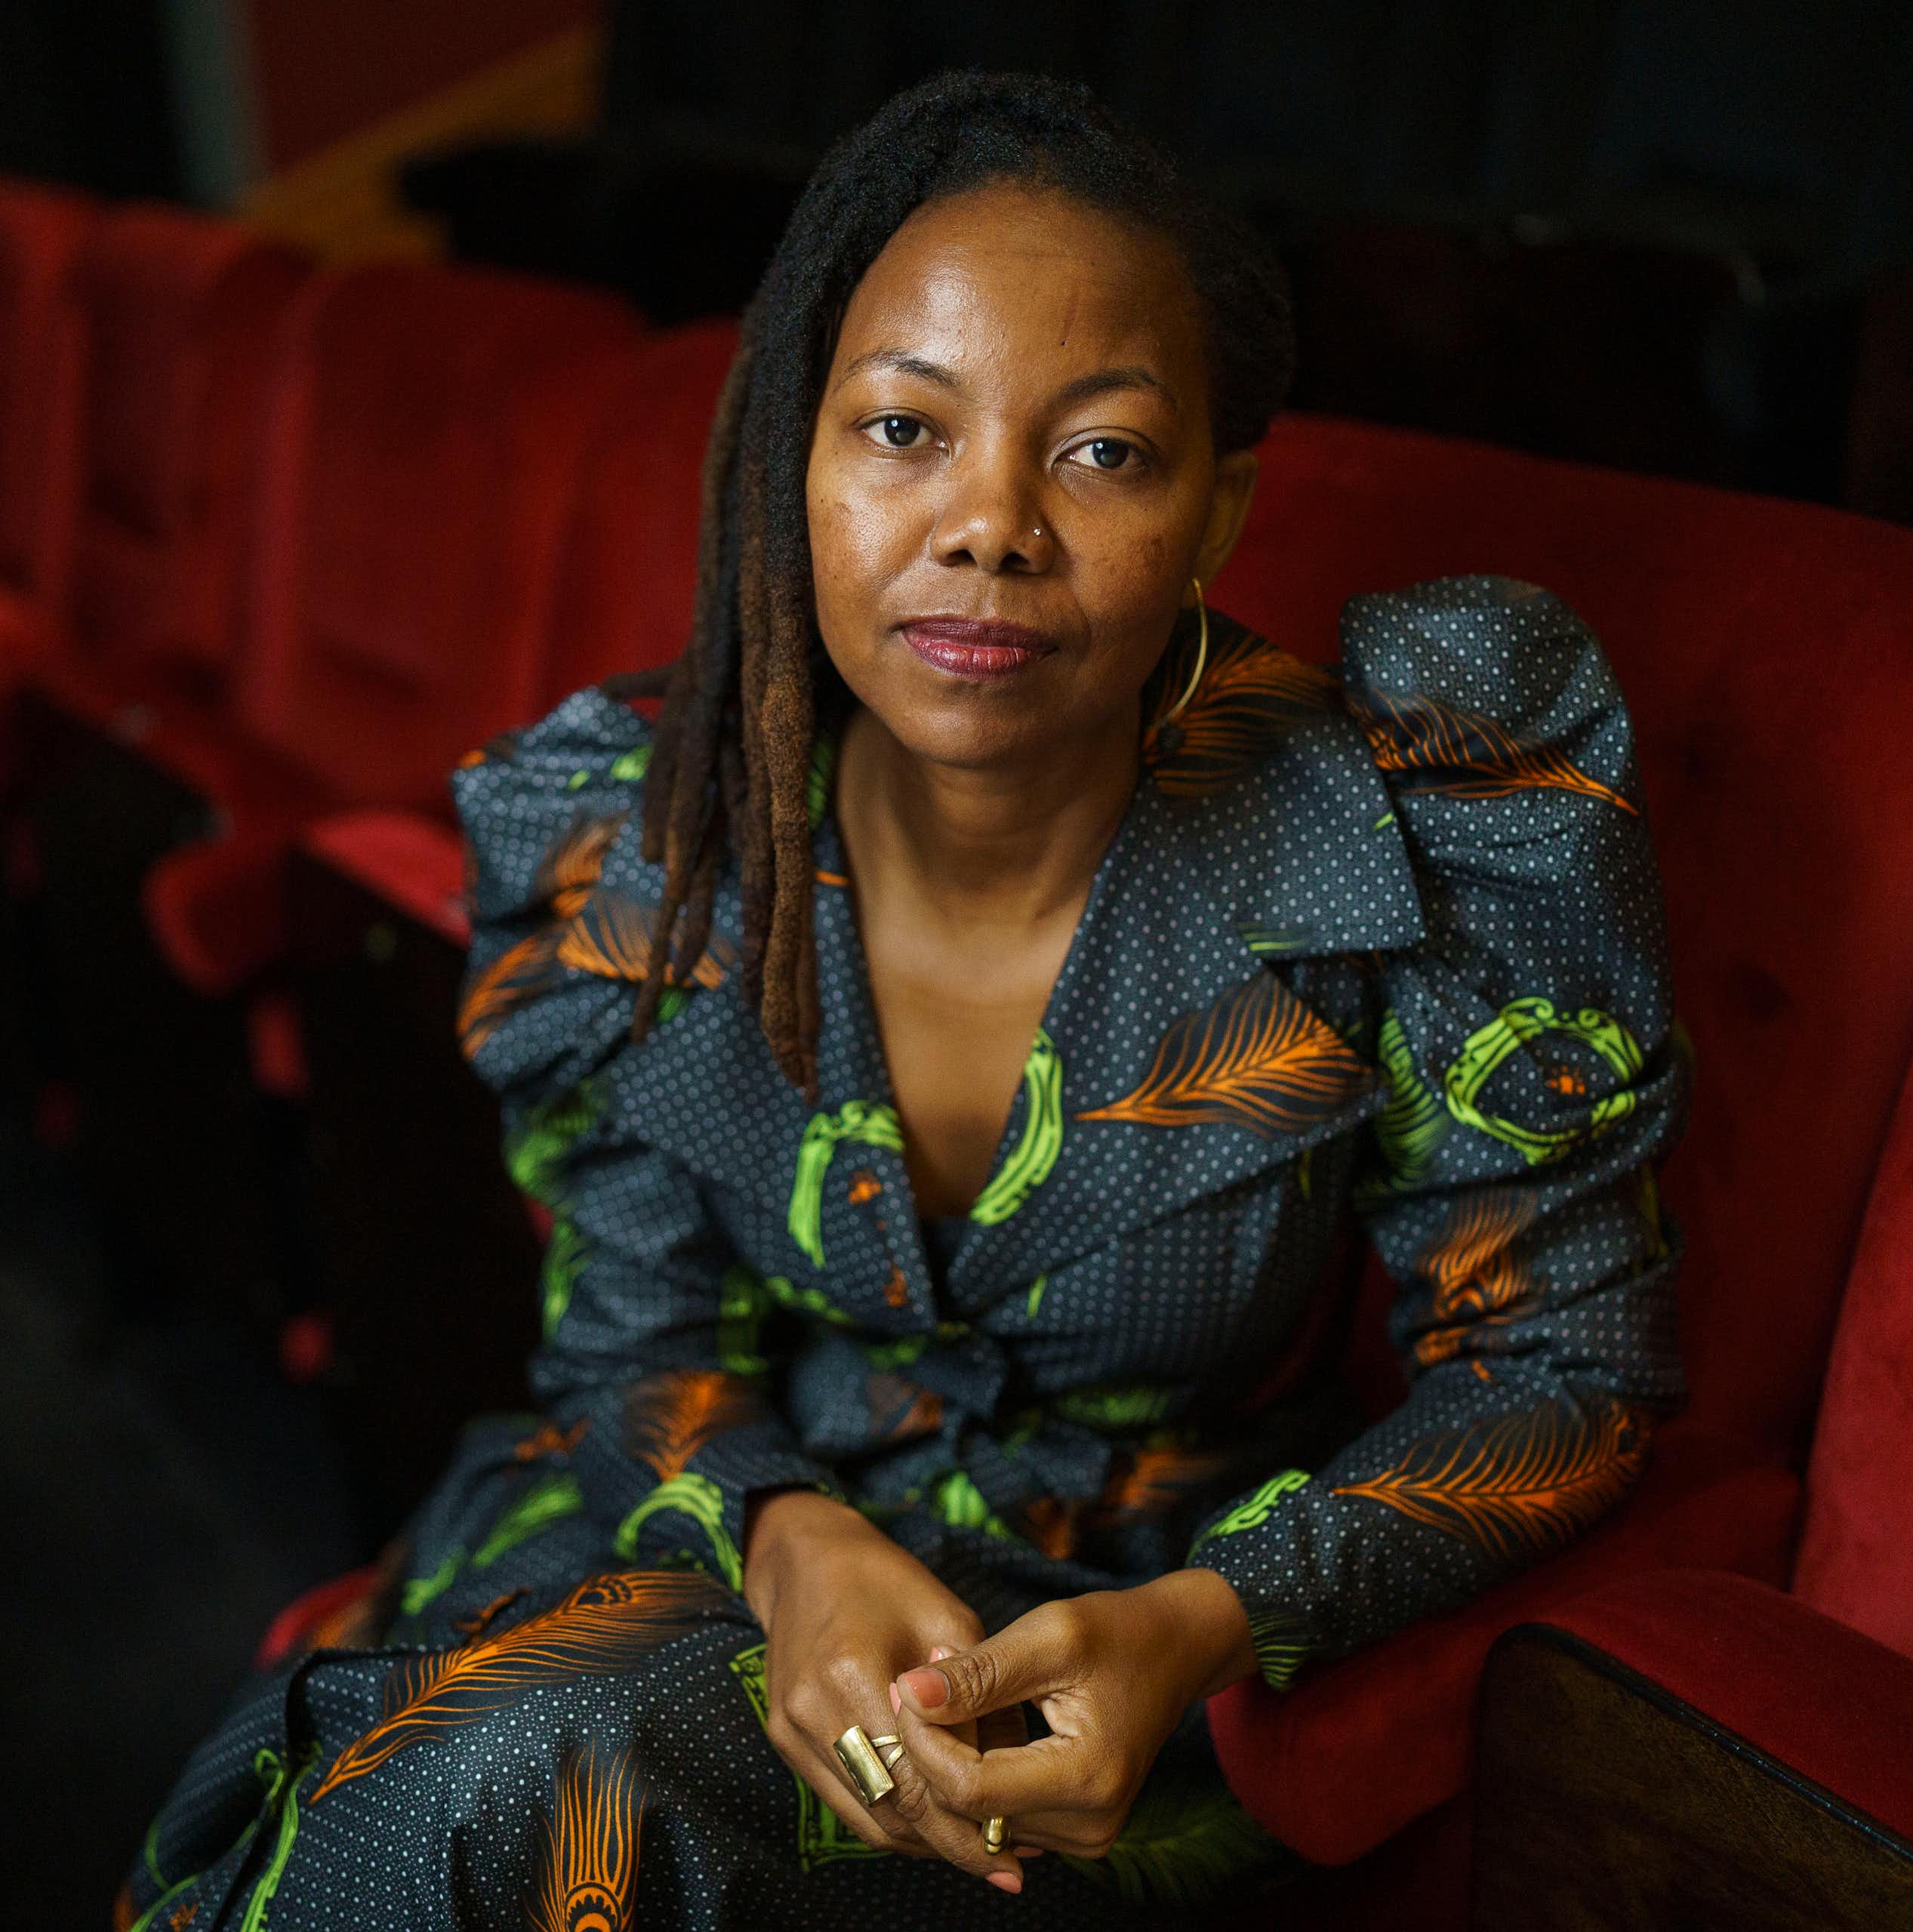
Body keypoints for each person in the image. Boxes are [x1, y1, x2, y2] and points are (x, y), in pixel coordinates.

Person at [118, 66, 1691, 1930]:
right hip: (712, 1536)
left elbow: (1563, 1364)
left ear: (1216, 502)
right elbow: (630, 1343)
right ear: (800, 453)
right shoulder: (634, 839)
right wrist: (789, 1546)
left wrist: (1211, 1620)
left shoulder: (1418, 822)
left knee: (519, 1779)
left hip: (1101, 1660)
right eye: (900, 430)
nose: (987, 524)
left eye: (1099, 449)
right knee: (502, 1763)